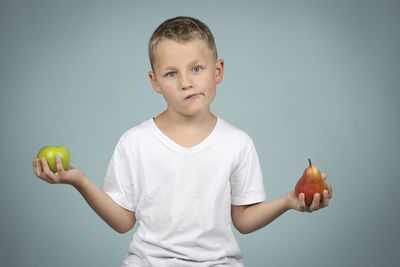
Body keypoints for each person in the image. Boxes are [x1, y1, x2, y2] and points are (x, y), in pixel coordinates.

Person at [33, 16, 332, 267]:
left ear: (218, 72)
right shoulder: (135, 142)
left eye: (197, 69)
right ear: (155, 82)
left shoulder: (238, 143)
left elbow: (243, 219)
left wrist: (289, 202)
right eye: (171, 73)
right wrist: (80, 181)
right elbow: (123, 222)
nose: (186, 82)